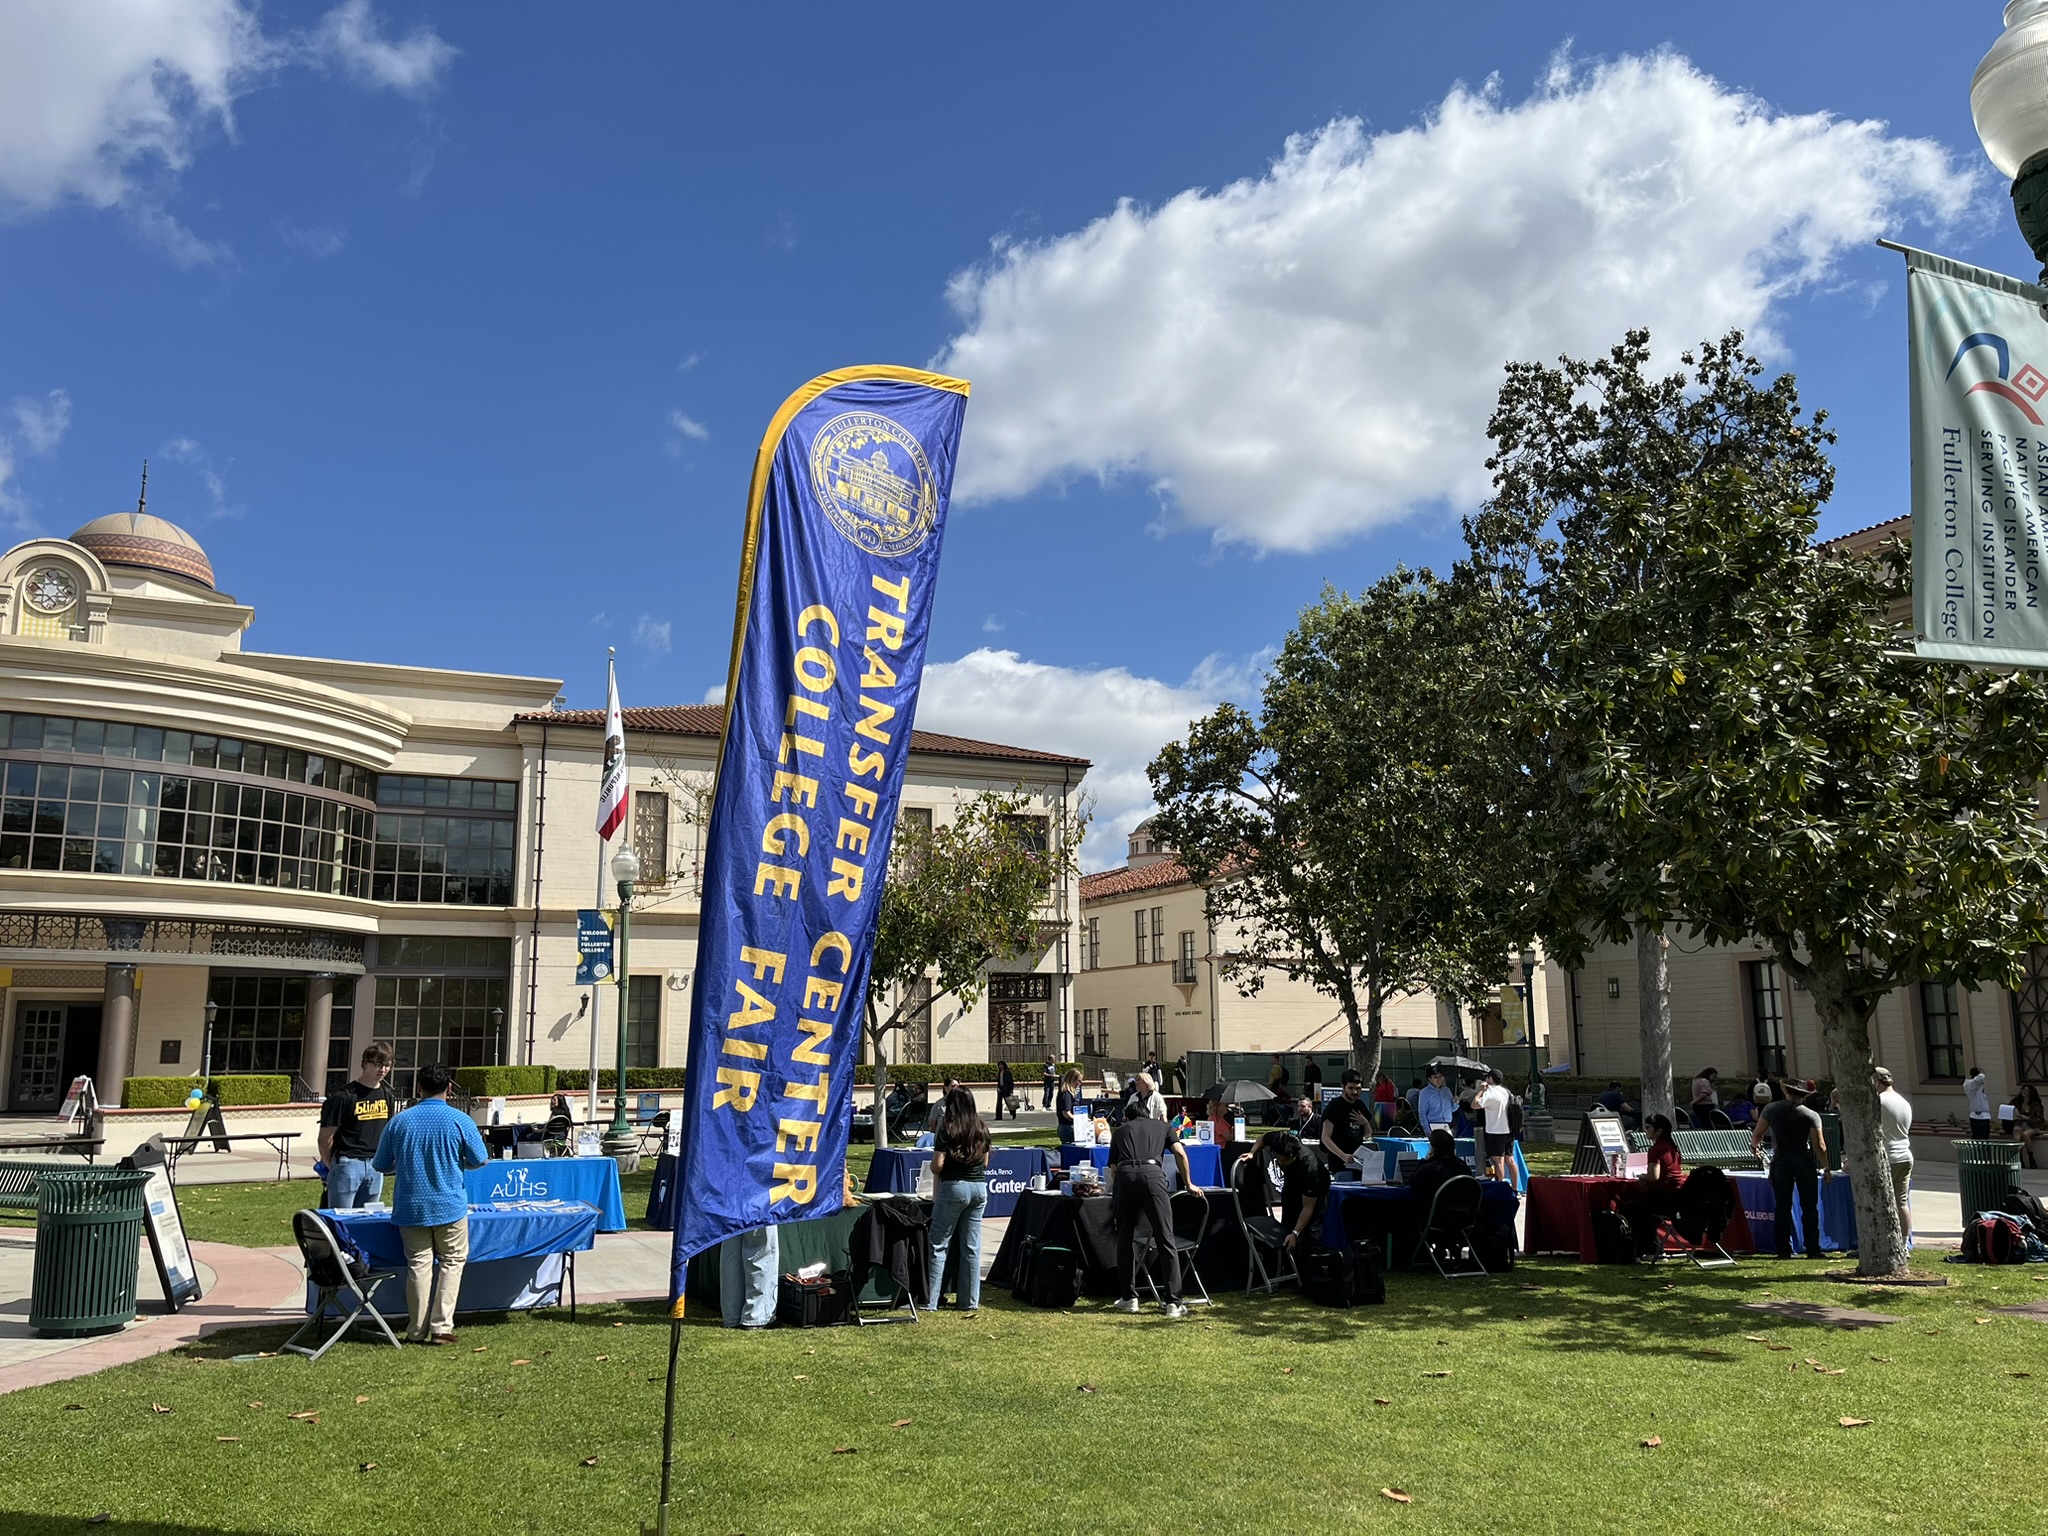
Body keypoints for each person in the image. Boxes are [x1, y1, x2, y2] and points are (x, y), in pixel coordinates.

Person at [369, 1062, 490, 1345]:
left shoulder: (399, 1121)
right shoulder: (461, 1120)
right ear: (449, 1088)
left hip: (410, 1206)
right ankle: (441, 1327)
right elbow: (480, 1159)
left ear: (418, 1088)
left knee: (419, 1265)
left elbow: (382, 1164)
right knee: (451, 1262)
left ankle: (416, 1329)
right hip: (450, 1204)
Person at [1108, 1096, 1194, 1318]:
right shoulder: (1164, 1126)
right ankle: (1174, 1302)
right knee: (1165, 1237)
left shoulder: (1119, 1131)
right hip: (1153, 1175)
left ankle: (1128, 1297)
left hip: (1125, 1177)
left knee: (1124, 1237)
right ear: (1148, 1114)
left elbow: (1114, 1167)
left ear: (1127, 1116)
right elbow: (1180, 1153)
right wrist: (1188, 1183)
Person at [926, 1088, 991, 1313]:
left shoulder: (947, 1129)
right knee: (971, 1247)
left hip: (954, 1187)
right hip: (979, 1188)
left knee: (938, 1244)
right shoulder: (981, 1128)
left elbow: (937, 1165)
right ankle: (969, 1301)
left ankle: (931, 1300)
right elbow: (985, 1163)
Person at [1751, 1078, 1827, 1260]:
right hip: (1803, 1160)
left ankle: (1783, 1249)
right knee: (1809, 1207)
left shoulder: (1771, 1109)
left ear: (1787, 1092)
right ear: (1804, 1096)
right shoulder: (1811, 1115)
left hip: (1781, 1161)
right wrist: (1827, 1167)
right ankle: (1813, 1248)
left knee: (1782, 1207)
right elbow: (1820, 1145)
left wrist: (1755, 1147)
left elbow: (1757, 1135)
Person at [318, 1041, 399, 1209]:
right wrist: (332, 1166)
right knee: (341, 1220)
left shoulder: (387, 1095)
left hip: (376, 1166)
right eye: (377, 1064)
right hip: (348, 1164)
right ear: (364, 1063)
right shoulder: (344, 1096)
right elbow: (325, 1138)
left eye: (387, 1065)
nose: (382, 1070)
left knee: (366, 1220)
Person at [1266, 1131, 1330, 1259]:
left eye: (1282, 1161)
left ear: (1293, 1156)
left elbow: (1308, 1208)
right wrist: (1252, 1152)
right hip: (1292, 1183)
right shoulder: (1279, 1140)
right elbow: (1262, 1138)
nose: (1279, 1163)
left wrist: (1295, 1233)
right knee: (1287, 1224)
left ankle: (1311, 1269)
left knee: (1310, 1232)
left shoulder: (1310, 1168)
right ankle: (1288, 1266)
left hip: (1316, 1192)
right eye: (1277, 1158)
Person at [1873, 1068, 1914, 1237]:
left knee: (1879, 1203)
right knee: (1901, 1202)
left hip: (1887, 1157)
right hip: (1905, 1155)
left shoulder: (1879, 1101)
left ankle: (1880, 1243)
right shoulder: (1903, 1101)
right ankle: (1903, 1245)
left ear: (1876, 1082)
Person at [1319, 1070, 1375, 1173]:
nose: (1354, 1092)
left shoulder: (1360, 1105)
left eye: (1358, 1088)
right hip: (1340, 1164)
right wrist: (1342, 1155)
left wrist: (1366, 1123)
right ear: (1343, 1086)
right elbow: (1325, 1137)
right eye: (1351, 1088)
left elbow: (1367, 1135)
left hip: (1359, 1163)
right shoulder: (1335, 1106)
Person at [1408, 1126, 1470, 1211]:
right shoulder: (1463, 1167)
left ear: (1433, 1150)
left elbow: (1412, 1182)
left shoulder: (1428, 1170)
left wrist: (1425, 1160)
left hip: (1436, 1216)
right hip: (1465, 1217)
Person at [1475, 1069, 1513, 1181]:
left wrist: (1481, 1091)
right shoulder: (1505, 1091)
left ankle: (1500, 1185)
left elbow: (1475, 1104)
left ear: (1490, 1078)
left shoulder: (1489, 1092)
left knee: (1498, 1161)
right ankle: (1515, 1187)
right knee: (1510, 1161)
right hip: (1508, 1129)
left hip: (1495, 1131)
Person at [2013, 1084, 2047, 1169]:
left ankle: (2031, 1158)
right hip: (2020, 1124)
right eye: (2023, 1090)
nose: (2024, 1092)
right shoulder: (2017, 1102)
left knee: (2026, 1134)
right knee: (2017, 1133)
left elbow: (2039, 1119)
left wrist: (2026, 1118)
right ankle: (2019, 1158)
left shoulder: (2036, 1105)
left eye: (2026, 1090)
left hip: (2032, 1125)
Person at [1417, 1066, 1457, 1133]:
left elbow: (1452, 1109)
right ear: (1429, 1079)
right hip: (1433, 1125)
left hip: (1448, 1125)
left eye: (1440, 1076)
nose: (1439, 1079)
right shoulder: (1424, 1093)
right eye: (1435, 1077)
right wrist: (1427, 1131)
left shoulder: (1447, 1090)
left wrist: (1456, 1102)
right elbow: (1422, 1114)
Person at [1055, 1068, 1083, 1144]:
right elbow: (1067, 1114)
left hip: (1069, 1127)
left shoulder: (1069, 1092)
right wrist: (1081, 1120)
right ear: (1073, 1079)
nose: (1080, 1084)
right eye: (1079, 1081)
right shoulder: (1066, 1093)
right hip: (1067, 1128)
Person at [1964, 1065, 1991, 1139]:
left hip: (1978, 1115)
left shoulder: (1970, 1085)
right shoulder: (1972, 1084)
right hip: (1980, 1116)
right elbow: (1981, 1078)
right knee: (1982, 1138)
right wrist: (1981, 1072)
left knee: (1978, 1137)